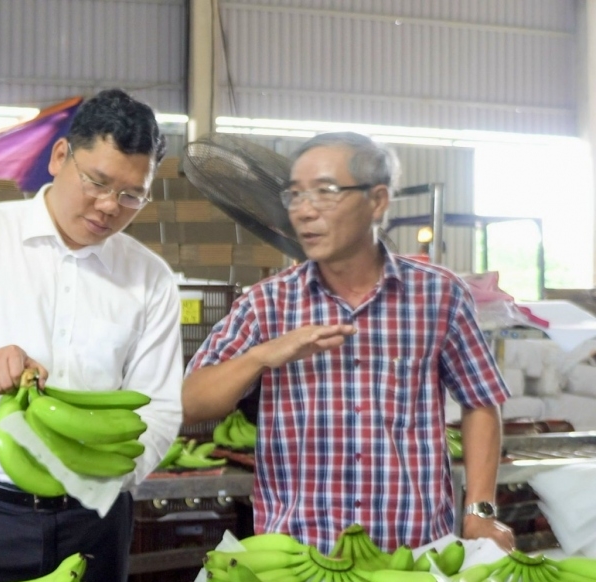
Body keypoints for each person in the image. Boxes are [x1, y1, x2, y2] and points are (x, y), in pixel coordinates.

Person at [0, 89, 183, 582]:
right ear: (59, 157)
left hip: (95, 523)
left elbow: (159, 407)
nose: (109, 206)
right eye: (98, 182)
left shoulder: (150, 279)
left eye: (131, 195)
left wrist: (104, 480)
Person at [182, 132, 513, 555]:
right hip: (298, 558)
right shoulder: (267, 302)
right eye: (295, 196)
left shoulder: (439, 295)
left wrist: (480, 511)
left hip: (411, 555)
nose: (304, 212)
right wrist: (263, 356)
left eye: (325, 193)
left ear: (377, 201)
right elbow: (189, 402)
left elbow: (481, 400)